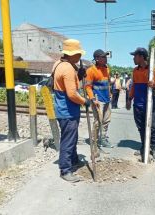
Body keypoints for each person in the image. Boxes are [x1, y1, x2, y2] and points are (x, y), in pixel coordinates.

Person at [53, 39, 91, 183]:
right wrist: (85, 101)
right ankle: (65, 170)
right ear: (72, 54)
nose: (80, 57)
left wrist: (79, 75)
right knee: (68, 140)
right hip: (67, 110)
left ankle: (73, 160)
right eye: (78, 54)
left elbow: (64, 83)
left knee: (72, 137)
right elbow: (72, 94)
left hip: (63, 109)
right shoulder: (68, 68)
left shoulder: (58, 64)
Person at [126, 47, 155, 159]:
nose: (133, 58)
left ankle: (154, 147)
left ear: (141, 57)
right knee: (141, 127)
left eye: (135, 56)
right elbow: (133, 86)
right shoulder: (135, 71)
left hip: (149, 104)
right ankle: (144, 146)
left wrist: (154, 85)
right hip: (137, 104)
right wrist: (129, 99)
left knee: (151, 126)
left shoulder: (152, 70)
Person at [85, 49, 113, 149]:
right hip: (97, 100)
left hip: (106, 100)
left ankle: (103, 138)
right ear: (97, 59)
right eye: (103, 57)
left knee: (106, 121)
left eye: (106, 57)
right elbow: (88, 86)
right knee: (98, 121)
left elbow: (108, 83)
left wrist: (110, 94)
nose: (106, 59)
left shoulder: (107, 69)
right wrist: (93, 99)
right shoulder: (91, 71)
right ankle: (94, 141)